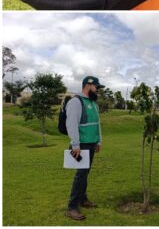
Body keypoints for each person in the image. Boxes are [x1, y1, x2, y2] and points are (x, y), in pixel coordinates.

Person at [64, 76, 103, 221]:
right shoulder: (76, 102)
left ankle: (82, 199)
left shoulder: (93, 103)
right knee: (80, 175)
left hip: (92, 144)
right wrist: (75, 145)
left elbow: (97, 123)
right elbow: (71, 124)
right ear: (88, 85)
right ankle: (72, 207)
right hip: (81, 145)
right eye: (96, 87)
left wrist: (99, 141)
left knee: (85, 174)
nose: (97, 90)